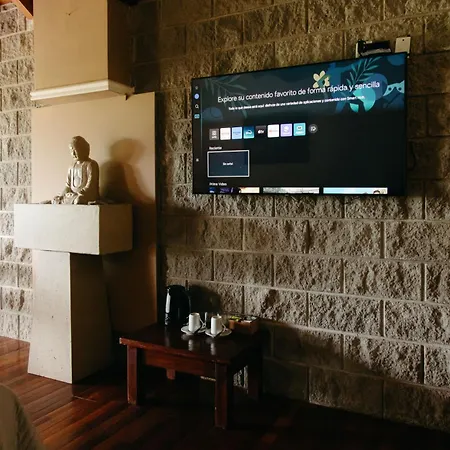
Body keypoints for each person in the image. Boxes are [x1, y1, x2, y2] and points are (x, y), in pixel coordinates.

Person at [52, 136, 100, 205]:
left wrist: (79, 193)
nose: (73, 153)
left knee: (79, 199)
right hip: (73, 196)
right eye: (71, 150)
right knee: (56, 199)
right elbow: (68, 186)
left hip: (85, 195)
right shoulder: (71, 166)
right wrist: (64, 194)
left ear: (83, 149)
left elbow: (90, 187)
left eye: (75, 150)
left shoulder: (91, 164)